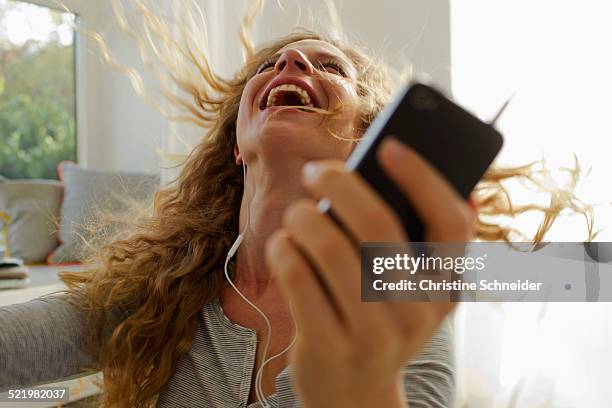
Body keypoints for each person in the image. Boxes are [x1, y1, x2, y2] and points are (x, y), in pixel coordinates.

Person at [0, 2, 589, 407]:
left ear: (365, 135)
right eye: (270, 67)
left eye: (327, 67)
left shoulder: (392, 302)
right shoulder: (160, 287)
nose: (290, 65)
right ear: (237, 144)